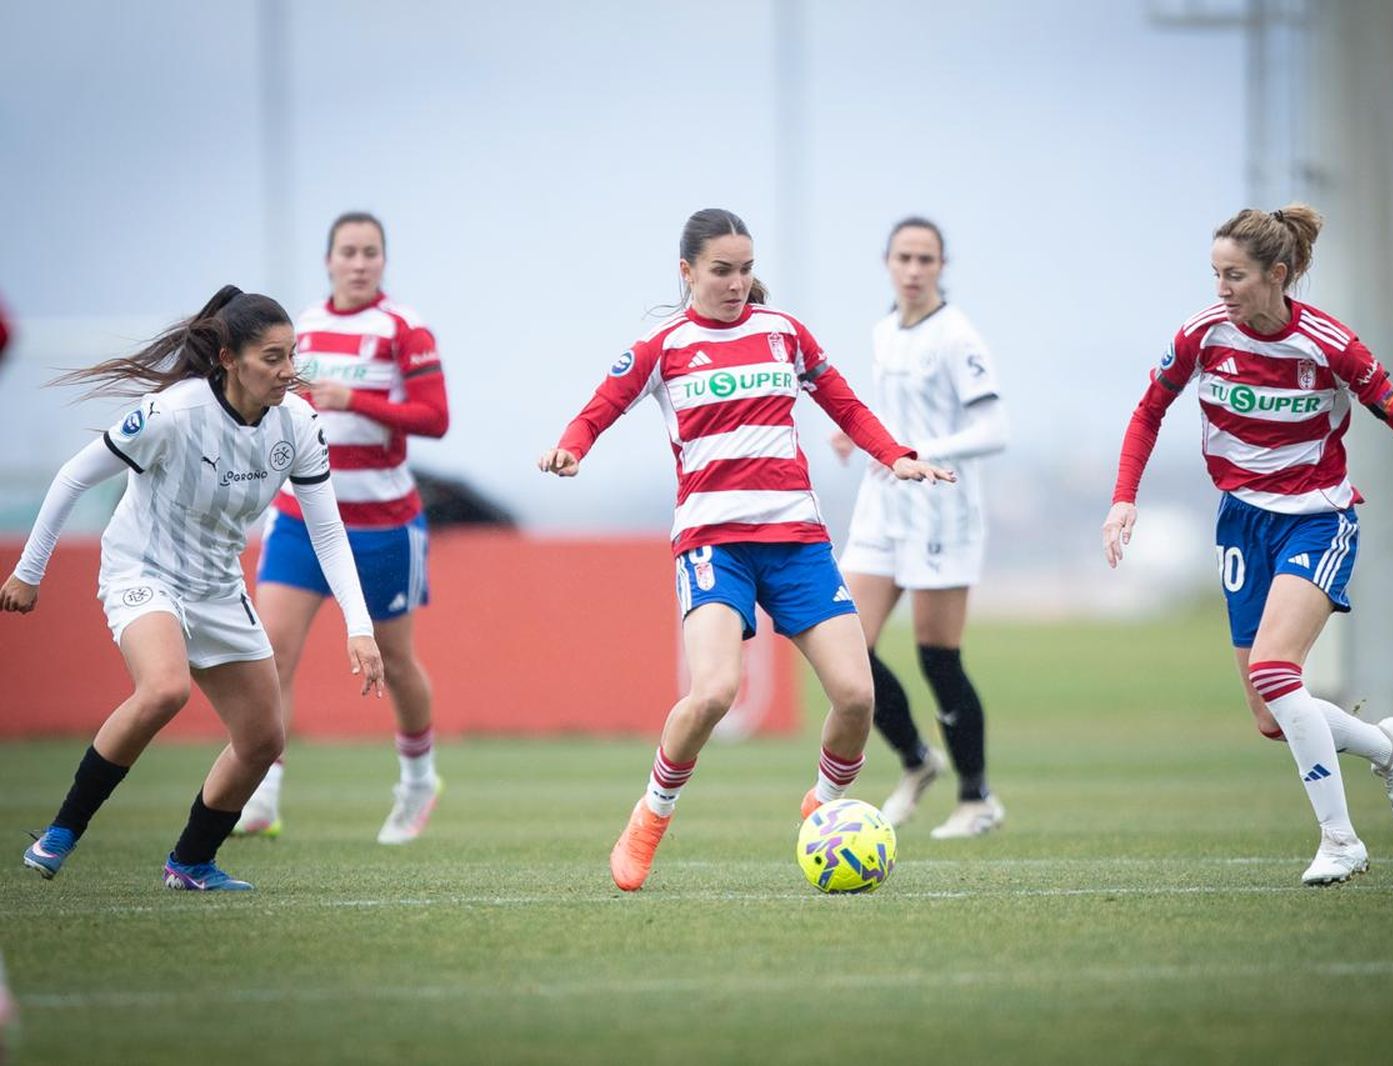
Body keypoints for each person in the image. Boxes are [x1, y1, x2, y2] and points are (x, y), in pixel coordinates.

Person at [1102, 205, 1393, 885]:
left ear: (1277, 274)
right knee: (1270, 716)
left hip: (1317, 521)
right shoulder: (1202, 335)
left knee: (1276, 671)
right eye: (1215, 274)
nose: (1221, 289)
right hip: (1241, 522)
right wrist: (1125, 497)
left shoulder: (1328, 344)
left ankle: (1341, 840)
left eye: (1235, 275)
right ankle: (1386, 747)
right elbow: (1148, 410)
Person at [539, 208, 955, 892]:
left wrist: (896, 456)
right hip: (714, 545)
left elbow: (847, 406)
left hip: (797, 543)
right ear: (687, 272)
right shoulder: (664, 346)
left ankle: (823, 809)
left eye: (746, 270)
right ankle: (651, 815)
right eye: (721, 271)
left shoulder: (783, 334)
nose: (736, 284)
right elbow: (601, 405)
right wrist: (572, 447)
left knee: (857, 696)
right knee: (714, 693)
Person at [3, 285, 384, 891]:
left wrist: (358, 628)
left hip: (217, 585)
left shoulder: (299, 424)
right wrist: (30, 569)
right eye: (272, 358)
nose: (289, 370)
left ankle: (190, 862)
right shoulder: (173, 413)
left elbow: (329, 533)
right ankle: (61, 831)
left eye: (292, 355)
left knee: (263, 741)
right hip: (143, 570)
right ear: (229, 358)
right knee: (164, 689)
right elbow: (74, 475)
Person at [238, 212, 450, 844]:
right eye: (348, 252)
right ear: (329, 260)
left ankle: (418, 780)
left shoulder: (403, 329)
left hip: (383, 525)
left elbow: (436, 418)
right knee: (271, 653)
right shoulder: (300, 328)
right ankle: (262, 795)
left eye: (370, 253)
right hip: (301, 518)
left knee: (396, 661)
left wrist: (354, 399)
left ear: (383, 261)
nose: (359, 263)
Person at [832, 217, 1009, 837]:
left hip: (942, 510)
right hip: (882, 507)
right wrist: (861, 436)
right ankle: (915, 759)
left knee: (938, 658)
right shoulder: (884, 330)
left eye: (925, 259)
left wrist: (915, 451)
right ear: (887, 262)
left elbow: (994, 429)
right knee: (846, 647)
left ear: (941, 266)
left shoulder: (957, 336)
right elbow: (895, 410)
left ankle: (977, 798)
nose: (913, 269)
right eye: (903, 257)